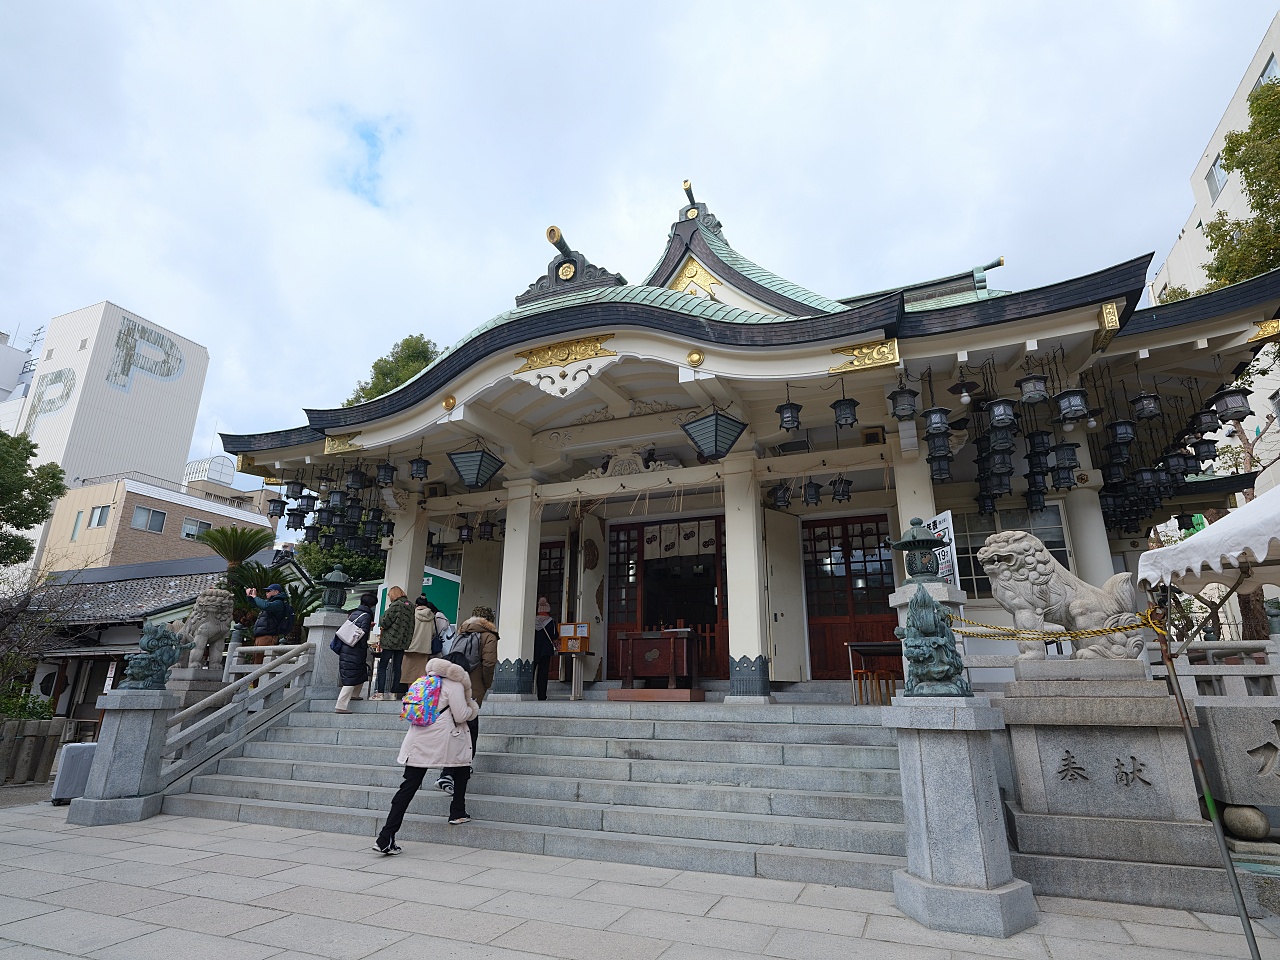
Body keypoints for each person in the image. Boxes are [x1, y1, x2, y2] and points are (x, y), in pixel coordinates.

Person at [374, 652, 480, 854]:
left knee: (408, 787)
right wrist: (472, 707)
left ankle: (385, 836)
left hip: (417, 740)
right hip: (440, 740)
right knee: (461, 767)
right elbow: (460, 715)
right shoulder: (455, 685)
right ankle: (457, 811)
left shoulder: (425, 680)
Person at [438, 608, 498, 794]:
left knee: (458, 722)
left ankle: (454, 767)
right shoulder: (489, 635)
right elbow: (489, 663)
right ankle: (453, 769)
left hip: (456, 681)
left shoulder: (463, 631)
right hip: (474, 683)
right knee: (470, 725)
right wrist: (486, 683)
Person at [333, 592, 375, 713]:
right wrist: (364, 649)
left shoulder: (354, 613)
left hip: (346, 648)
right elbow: (363, 635)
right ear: (371, 605)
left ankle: (355, 694)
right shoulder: (366, 616)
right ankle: (341, 705)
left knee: (360, 672)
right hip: (355, 650)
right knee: (351, 677)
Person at [372, 586, 414, 700]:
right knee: (397, 667)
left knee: (383, 666)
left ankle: (380, 692)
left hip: (390, 641)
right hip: (402, 641)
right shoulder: (410, 606)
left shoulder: (396, 605)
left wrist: (381, 619)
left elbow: (385, 621)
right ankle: (394, 693)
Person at [403, 598, 451, 687]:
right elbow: (433, 632)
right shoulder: (432, 616)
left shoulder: (412, 614)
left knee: (408, 672)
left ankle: (410, 692)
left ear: (416, 605)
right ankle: (419, 692)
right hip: (425, 648)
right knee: (421, 673)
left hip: (411, 647)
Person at [245, 584, 290, 664]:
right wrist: (249, 596)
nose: (266, 593)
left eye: (269, 591)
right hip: (262, 636)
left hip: (268, 636)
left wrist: (255, 596)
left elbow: (265, 606)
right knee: (256, 660)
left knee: (260, 662)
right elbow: (256, 603)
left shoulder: (278, 603)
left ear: (276, 592)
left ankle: (258, 677)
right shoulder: (271, 602)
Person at [532, 596, 557, 701]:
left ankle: (527, 692)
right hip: (545, 650)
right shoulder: (551, 621)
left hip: (533, 649)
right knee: (543, 674)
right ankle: (541, 695)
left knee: (531, 672)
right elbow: (555, 636)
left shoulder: (532, 621)